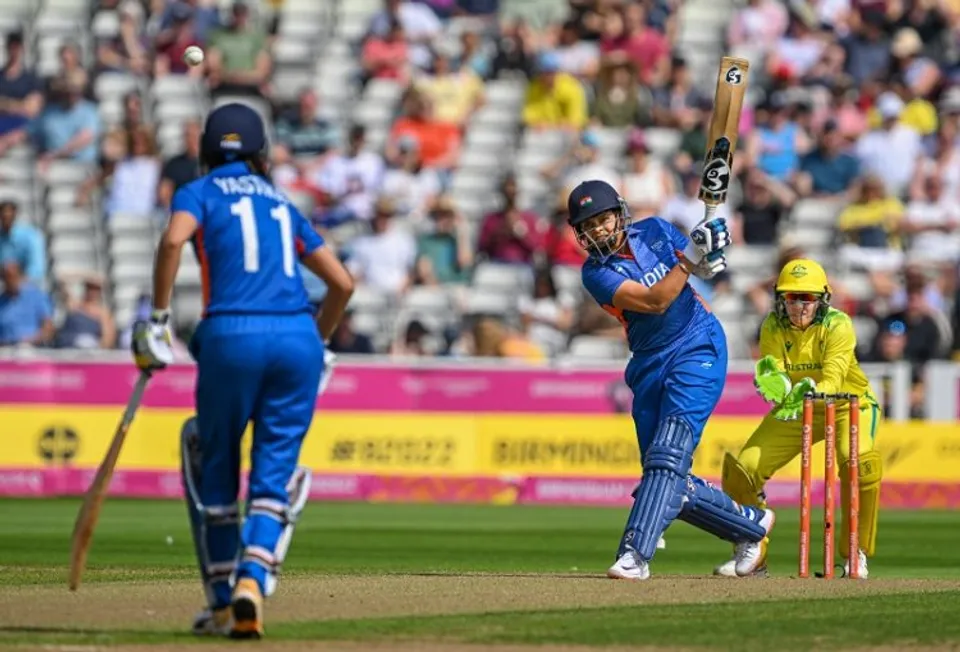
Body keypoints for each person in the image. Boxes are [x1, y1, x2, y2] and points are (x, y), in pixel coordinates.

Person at [131, 103, 354, 638]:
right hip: (298, 338)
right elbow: (342, 284)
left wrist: (158, 321)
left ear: (208, 152)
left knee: (212, 461)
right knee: (273, 473)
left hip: (230, 333)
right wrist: (316, 342)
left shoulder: (199, 191)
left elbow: (171, 240)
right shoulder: (282, 201)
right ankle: (254, 577)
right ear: (261, 154)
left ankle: (223, 597)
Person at [570, 179, 775, 581]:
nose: (597, 229)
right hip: (648, 361)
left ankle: (634, 554)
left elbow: (704, 262)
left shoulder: (657, 229)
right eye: (588, 224)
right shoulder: (595, 273)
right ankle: (752, 526)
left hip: (698, 344)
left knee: (668, 457)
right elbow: (654, 300)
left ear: (619, 214)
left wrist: (712, 247)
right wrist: (691, 260)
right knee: (666, 480)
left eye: (602, 218)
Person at [715, 259, 882, 579]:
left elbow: (834, 376)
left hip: (850, 405)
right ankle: (752, 547)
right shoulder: (772, 325)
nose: (799, 306)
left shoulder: (838, 324)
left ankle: (854, 552)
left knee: (858, 466)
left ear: (821, 299)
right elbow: (774, 368)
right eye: (792, 298)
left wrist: (814, 389)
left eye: (806, 298)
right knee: (743, 468)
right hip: (798, 406)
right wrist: (775, 384)